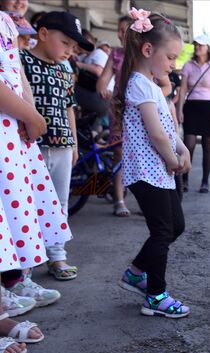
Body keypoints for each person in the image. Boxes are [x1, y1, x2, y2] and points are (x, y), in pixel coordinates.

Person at [0, 9, 71, 353]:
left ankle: (2, 306)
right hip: (7, 125)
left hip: (10, 130)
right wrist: (30, 114)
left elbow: (17, 73)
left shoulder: (7, 22)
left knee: (10, 219)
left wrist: (29, 112)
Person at [114, 8, 191, 318]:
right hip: (146, 171)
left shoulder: (154, 86)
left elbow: (169, 130)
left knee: (176, 226)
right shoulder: (138, 84)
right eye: (170, 57)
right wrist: (173, 159)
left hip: (159, 171)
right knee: (162, 231)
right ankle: (155, 296)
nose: (174, 64)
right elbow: (156, 134)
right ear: (148, 50)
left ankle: (135, 273)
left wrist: (182, 149)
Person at [20, 11, 94, 281]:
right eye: (65, 43)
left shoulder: (65, 70)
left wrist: (73, 143)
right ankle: (24, 262)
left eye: (73, 47)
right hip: (29, 146)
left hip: (62, 145)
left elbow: (69, 108)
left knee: (58, 202)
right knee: (27, 203)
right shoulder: (21, 60)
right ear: (42, 34)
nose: (69, 51)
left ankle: (57, 254)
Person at [176, 34, 210, 194]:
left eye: (201, 45)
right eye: (196, 45)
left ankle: (205, 182)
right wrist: (179, 109)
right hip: (192, 107)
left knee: (207, 146)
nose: (197, 48)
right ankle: (185, 180)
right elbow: (182, 89)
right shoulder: (188, 66)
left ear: (207, 48)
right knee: (188, 144)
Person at [96, 15, 132, 217]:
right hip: (118, 111)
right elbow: (102, 82)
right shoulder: (116, 54)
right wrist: (104, 90)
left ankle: (147, 202)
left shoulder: (147, 54)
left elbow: (165, 84)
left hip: (142, 114)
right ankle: (119, 200)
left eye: (124, 30)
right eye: (119, 30)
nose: (119, 34)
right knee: (119, 156)